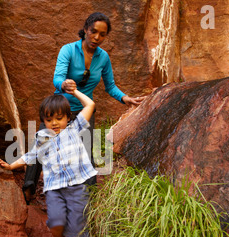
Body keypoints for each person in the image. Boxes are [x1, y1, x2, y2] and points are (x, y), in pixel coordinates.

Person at [22, 12, 144, 203]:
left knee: (87, 155)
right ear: (86, 29)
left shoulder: (103, 58)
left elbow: (110, 86)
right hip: (60, 108)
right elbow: (57, 78)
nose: (96, 37)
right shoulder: (68, 50)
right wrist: (64, 85)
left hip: (84, 111)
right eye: (93, 31)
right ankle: (28, 189)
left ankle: (90, 200)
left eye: (102, 34)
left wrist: (125, 98)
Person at [0, 89, 96, 237]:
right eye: (49, 119)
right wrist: (10, 166)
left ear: (68, 117)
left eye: (59, 118)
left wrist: (75, 91)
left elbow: (90, 106)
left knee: (76, 234)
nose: (55, 123)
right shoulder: (42, 138)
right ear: (43, 121)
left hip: (77, 187)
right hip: (54, 189)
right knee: (56, 223)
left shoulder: (74, 129)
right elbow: (30, 157)